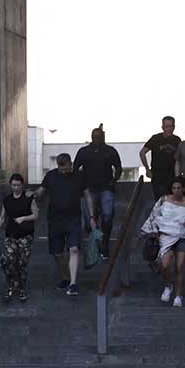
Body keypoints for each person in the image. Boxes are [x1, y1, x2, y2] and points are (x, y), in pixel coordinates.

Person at [140, 177, 185, 307]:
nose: (176, 190)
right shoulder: (163, 201)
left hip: (183, 238)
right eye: (174, 188)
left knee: (179, 266)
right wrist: (153, 231)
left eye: (179, 188)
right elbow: (153, 216)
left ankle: (178, 296)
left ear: (183, 189)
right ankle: (168, 285)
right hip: (166, 237)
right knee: (164, 265)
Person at [36, 153, 86, 296]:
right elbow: (41, 190)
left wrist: (92, 216)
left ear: (70, 163)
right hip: (55, 219)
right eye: (60, 169)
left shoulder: (79, 176)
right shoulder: (51, 176)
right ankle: (65, 276)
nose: (63, 172)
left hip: (73, 218)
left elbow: (87, 194)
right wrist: (36, 194)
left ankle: (73, 283)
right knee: (57, 253)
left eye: (65, 169)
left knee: (74, 249)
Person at [73, 124, 123, 259]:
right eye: (95, 137)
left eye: (100, 137)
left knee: (107, 217)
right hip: (88, 189)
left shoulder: (110, 150)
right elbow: (75, 168)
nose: (98, 140)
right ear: (91, 137)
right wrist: (80, 185)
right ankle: (97, 243)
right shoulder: (84, 151)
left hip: (106, 188)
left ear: (104, 137)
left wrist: (114, 181)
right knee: (89, 222)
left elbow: (118, 167)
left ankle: (105, 245)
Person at [0, 173, 38, 303]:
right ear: (11, 185)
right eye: (14, 185)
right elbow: (2, 217)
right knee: (7, 260)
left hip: (25, 235)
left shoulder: (28, 198)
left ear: (22, 185)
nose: (16, 188)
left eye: (18, 185)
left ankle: (21, 288)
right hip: (10, 234)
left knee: (22, 262)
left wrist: (24, 218)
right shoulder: (7, 200)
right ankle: (11, 284)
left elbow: (36, 214)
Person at [140, 115, 182, 201]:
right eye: (167, 126)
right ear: (162, 127)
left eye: (171, 126)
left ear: (174, 127)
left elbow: (179, 159)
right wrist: (147, 170)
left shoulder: (177, 140)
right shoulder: (156, 138)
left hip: (171, 174)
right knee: (159, 200)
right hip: (157, 174)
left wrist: (178, 176)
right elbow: (142, 153)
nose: (169, 129)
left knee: (172, 201)